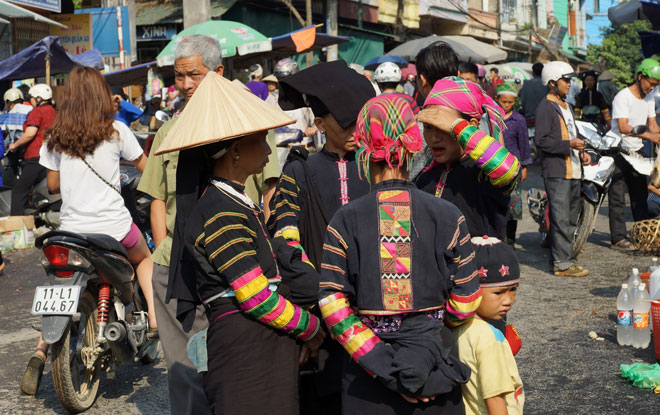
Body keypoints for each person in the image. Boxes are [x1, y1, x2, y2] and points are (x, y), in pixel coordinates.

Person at [156, 70, 324, 414]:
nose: (267, 150)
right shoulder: (221, 212)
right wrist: (311, 328)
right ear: (234, 150)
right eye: (260, 140)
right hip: (246, 352)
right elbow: (255, 297)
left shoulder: (231, 201)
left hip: (259, 346)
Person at [318, 94, 482, 414]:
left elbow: (332, 304)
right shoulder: (448, 215)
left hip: (369, 381)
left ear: (364, 148)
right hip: (436, 367)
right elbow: (467, 299)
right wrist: (424, 346)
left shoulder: (346, 220)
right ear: (414, 145)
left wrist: (386, 367)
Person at [20, 66, 158, 396]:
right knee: (145, 259)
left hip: (71, 232)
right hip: (114, 228)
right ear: (100, 95)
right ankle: (154, 319)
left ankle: (41, 350)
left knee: (60, 286)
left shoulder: (56, 136)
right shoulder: (116, 131)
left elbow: (52, 186)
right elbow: (148, 168)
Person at [268, 60, 375, 414]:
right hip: (320, 319)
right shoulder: (299, 170)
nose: (353, 130)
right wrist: (324, 302)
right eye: (344, 122)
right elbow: (285, 240)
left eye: (358, 121)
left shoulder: (379, 168)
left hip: (376, 313)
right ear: (320, 122)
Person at [137, 35, 224, 415]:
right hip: (176, 262)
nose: (185, 84)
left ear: (219, 73)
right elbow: (157, 199)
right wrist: (164, 254)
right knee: (184, 367)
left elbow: (267, 194)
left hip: (234, 266)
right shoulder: (169, 132)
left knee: (231, 361)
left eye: (195, 75)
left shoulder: (247, 122)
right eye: (179, 76)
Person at [416, 77, 520, 240]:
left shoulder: (483, 174)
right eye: (428, 127)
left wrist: (457, 127)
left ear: (469, 126)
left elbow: (508, 170)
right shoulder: (424, 178)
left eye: (444, 127)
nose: (434, 138)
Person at [455, 236, 524, 415]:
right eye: (498, 292)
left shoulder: (456, 325)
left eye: (513, 289)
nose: (508, 300)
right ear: (472, 289)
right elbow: (495, 398)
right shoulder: (489, 338)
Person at [534, 61, 591, 277]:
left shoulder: (567, 106)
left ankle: (559, 259)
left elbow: (571, 133)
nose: (569, 84)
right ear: (551, 83)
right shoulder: (545, 108)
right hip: (557, 170)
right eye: (565, 80)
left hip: (573, 168)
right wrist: (570, 145)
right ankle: (564, 264)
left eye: (570, 80)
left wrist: (580, 151)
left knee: (570, 217)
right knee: (560, 218)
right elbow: (541, 141)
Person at [608, 58, 660, 250]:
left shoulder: (649, 98)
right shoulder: (623, 96)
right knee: (617, 196)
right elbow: (622, 126)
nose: (652, 88)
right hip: (619, 150)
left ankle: (641, 234)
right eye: (651, 84)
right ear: (640, 77)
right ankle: (618, 238)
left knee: (639, 195)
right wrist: (649, 135)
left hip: (636, 152)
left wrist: (657, 134)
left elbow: (652, 123)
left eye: (656, 86)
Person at [409, 41, 460, 180]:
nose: (435, 137)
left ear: (422, 80)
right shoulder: (480, 117)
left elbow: (410, 175)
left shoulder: (418, 125)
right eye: (429, 128)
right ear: (458, 75)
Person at [7, 84, 55, 215]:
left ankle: (16, 226)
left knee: (19, 191)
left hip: (35, 157)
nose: (31, 101)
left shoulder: (37, 111)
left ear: (39, 98)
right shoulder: (52, 111)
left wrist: (15, 145)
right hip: (50, 156)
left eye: (32, 98)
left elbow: (30, 133)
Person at [496, 83, 533, 246]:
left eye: (510, 102)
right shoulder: (491, 118)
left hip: (514, 167)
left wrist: (524, 167)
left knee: (514, 202)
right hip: (495, 166)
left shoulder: (519, 120)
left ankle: (511, 236)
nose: (506, 105)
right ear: (497, 100)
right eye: (504, 102)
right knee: (496, 201)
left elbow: (524, 144)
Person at [273, 58, 318, 146]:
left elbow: (316, 119)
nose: (281, 81)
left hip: (304, 144)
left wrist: (314, 128)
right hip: (280, 146)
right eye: (279, 78)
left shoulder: (306, 95)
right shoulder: (273, 97)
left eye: (284, 78)